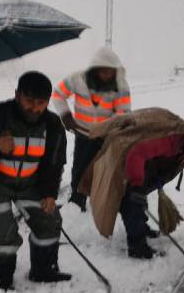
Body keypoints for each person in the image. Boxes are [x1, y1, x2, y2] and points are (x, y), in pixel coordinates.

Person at [0, 71, 70, 291]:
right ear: (17, 95)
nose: (34, 108)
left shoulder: (52, 124)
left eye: (41, 103)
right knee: (1, 234)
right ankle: (2, 279)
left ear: (47, 102)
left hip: (31, 185)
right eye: (29, 100)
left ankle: (43, 270)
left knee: (49, 222)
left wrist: (49, 194)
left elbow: (54, 163)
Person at [78, 107, 184, 259]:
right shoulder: (171, 139)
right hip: (124, 157)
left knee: (140, 197)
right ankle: (137, 247)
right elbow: (137, 153)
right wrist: (136, 184)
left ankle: (142, 226)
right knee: (131, 202)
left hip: (145, 163)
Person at [50, 46, 132, 211]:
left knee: (106, 171)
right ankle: (77, 202)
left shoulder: (120, 86)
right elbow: (58, 93)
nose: (106, 75)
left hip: (106, 137)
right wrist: (66, 115)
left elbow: (123, 113)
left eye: (109, 71)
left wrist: (110, 130)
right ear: (95, 70)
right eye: (102, 71)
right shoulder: (78, 79)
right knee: (80, 169)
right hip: (83, 134)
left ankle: (104, 204)